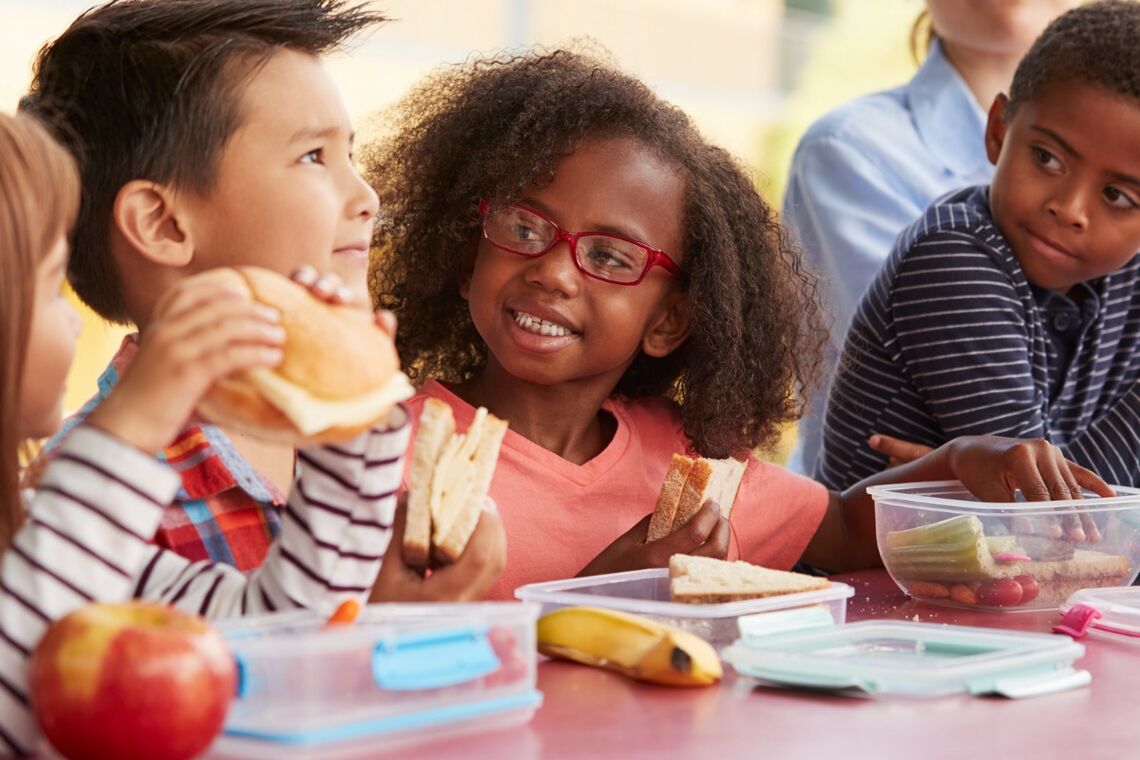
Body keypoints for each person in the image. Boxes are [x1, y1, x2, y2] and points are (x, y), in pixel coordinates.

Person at [364, 49, 1108, 600]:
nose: (555, 271)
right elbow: (366, 660)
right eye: (524, 229)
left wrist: (963, 459)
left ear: (671, 320)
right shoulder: (382, 460)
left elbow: (848, 530)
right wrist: (590, 597)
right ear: (467, 256)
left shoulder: (684, 456)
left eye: (610, 255)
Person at [20, 0, 504, 600]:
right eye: (312, 157)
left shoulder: (359, 443)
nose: (367, 197)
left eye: (349, 154)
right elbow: (283, 642)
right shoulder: (75, 508)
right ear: (165, 225)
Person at [0, 110, 409, 755]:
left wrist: (350, 418)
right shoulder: (73, 525)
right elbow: (17, 700)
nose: (75, 323)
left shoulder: (60, 539)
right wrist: (130, 426)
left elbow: (287, 638)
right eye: (52, 285)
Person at [818, 1, 1140, 501]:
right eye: (1047, 158)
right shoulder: (954, 261)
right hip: (870, 576)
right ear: (997, 132)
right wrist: (1016, 494)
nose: (1069, 209)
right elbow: (1054, 519)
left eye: (1118, 196)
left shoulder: (1126, 272)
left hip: (1007, 576)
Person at [783, 0, 1076, 475]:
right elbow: (966, 419)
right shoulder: (851, 151)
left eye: (1117, 195)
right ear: (998, 132)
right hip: (876, 533)